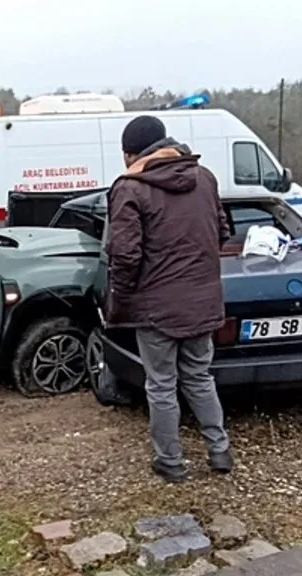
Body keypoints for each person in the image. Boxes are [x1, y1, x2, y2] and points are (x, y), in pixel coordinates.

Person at [104, 116, 233, 483]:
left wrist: (121, 301)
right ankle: (219, 450)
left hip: (157, 309)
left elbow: (124, 256)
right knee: (198, 377)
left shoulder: (130, 188)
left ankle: (170, 461)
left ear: (131, 153)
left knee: (161, 385)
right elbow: (222, 232)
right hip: (203, 303)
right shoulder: (204, 178)